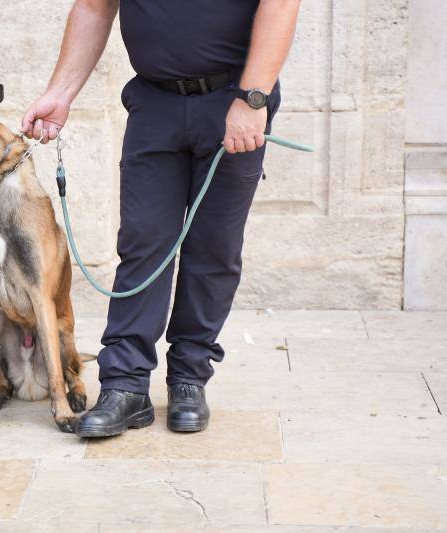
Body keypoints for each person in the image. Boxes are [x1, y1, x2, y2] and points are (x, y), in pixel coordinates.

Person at [21, 0, 301, 437]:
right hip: (155, 102)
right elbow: (95, 8)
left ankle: (189, 376)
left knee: (214, 248)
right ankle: (125, 385)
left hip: (235, 99)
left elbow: (281, 4)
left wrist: (254, 98)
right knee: (143, 243)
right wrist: (60, 93)